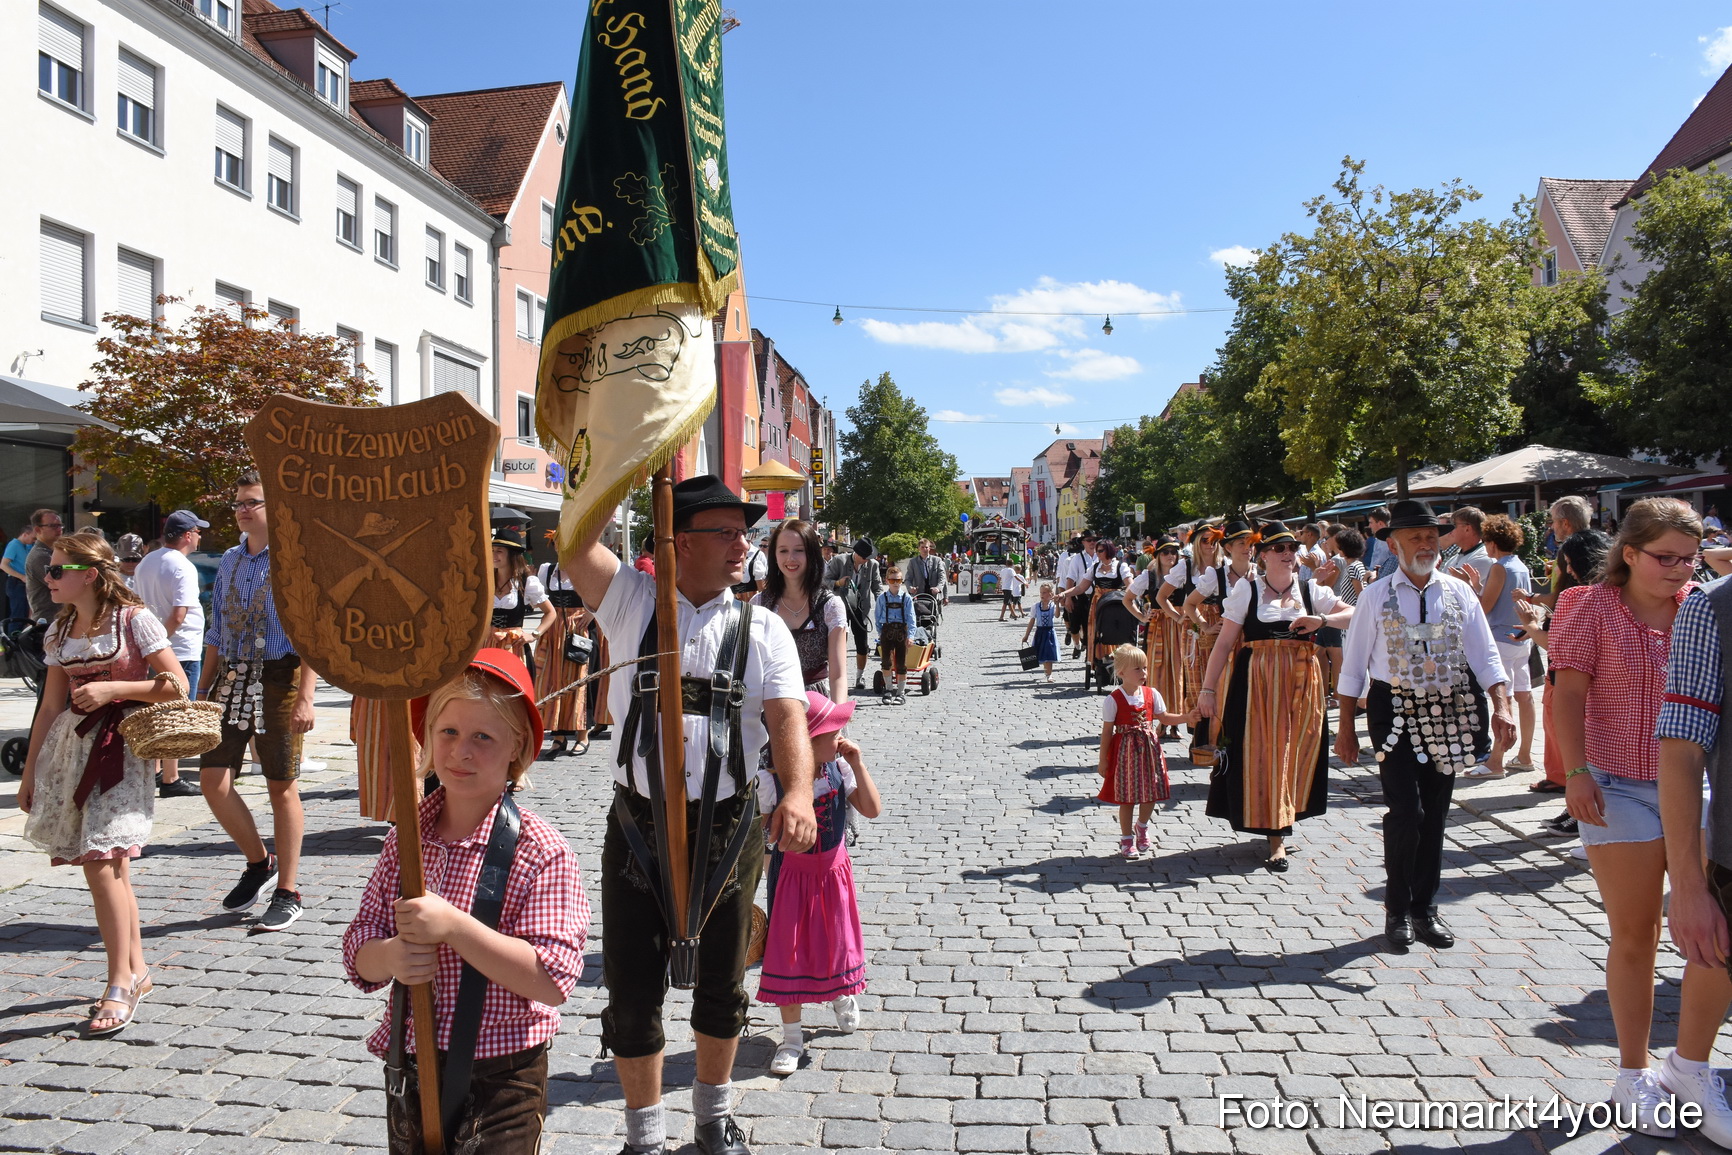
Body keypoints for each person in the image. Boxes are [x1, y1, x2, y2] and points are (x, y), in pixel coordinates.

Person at [565, 474, 816, 1155]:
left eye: (746, 532)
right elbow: (573, 545)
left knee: (722, 979)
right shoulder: (632, 601)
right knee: (632, 982)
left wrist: (795, 791)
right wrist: (617, 463)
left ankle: (712, 1116)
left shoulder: (763, 627)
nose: (745, 545)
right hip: (638, 825)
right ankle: (643, 1135)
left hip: (728, 824)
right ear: (682, 541)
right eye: (727, 532)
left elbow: (787, 718)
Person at [343, 650, 590, 1154]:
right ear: (428, 737)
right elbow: (359, 946)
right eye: (449, 732)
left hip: (503, 1077)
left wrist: (454, 926)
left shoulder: (541, 852)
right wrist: (390, 955)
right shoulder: (407, 840)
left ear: (516, 748)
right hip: (412, 1067)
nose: (462, 752)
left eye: (483, 737)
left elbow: (550, 980)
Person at [1548, 498, 1731, 1139]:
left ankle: (1691, 1067)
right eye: (1666, 558)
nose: (1680, 571)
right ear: (1629, 552)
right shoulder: (1587, 606)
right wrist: (1574, 774)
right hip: (1615, 780)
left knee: (1711, 929)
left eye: (1689, 558)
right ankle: (1631, 1074)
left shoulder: (1701, 607)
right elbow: (1567, 693)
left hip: (1695, 786)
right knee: (1638, 930)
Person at [18, 530, 187, 1038]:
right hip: (74, 750)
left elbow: (176, 683)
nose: (47, 578)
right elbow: (49, 706)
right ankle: (135, 970)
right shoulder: (58, 628)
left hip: (124, 750)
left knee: (103, 863)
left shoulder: (134, 619)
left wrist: (116, 686)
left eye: (56, 569)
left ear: (87, 574)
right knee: (110, 867)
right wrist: (31, 772)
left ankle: (118, 982)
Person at [1336, 500, 1515, 950]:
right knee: (1406, 812)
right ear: (1394, 544)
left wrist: (1503, 703)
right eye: (1415, 537)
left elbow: (1485, 654)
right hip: (1392, 708)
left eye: (1432, 536)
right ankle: (1397, 909)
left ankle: (1424, 908)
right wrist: (1343, 727)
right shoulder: (1376, 596)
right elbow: (1354, 664)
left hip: (1449, 709)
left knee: (1434, 812)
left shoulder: (1458, 592)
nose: (1425, 545)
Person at [195, 471, 317, 932]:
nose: (244, 509)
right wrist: (203, 689)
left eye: (253, 503)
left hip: (281, 677)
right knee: (212, 780)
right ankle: (258, 862)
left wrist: (306, 697)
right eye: (240, 503)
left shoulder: (293, 557)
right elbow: (216, 628)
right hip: (232, 675)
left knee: (280, 784)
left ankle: (288, 890)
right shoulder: (228, 559)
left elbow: (311, 635)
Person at [1198, 525, 1352, 872]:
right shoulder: (1247, 590)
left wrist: (1322, 619)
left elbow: (1353, 613)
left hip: (1303, 684)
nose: (1288, 553)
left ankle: (1283, 815)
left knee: (1297, 750)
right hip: (1258, 685)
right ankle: (1276, 837)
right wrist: (1208, 691)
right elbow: (1224, 643)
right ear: (1263, 554)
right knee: (1265, 754)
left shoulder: (1311, 590)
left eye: (1292, 547)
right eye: (1279, 548)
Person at [758, 692, 881, 1077]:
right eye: (834, 733)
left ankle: (843, 994)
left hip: (833, 872)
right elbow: (764, 831)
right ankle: (792, 1038)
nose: (842, 738)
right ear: (806, 740)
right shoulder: (770, 777)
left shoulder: (839, 770)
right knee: (788, 950)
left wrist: (857, 764)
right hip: (792, 874)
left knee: (837, 940)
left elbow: (871, 809)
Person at [1655, 548, 1732, 1148]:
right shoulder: (1714, 607)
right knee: (1719, 957)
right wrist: (1687, 883)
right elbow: (1681, 748)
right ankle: (1688, 1067)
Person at [132, 509, 209, 799]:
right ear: (188, 535)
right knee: (177, 712)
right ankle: (171, 777)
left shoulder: (147, 561)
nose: (200, 536)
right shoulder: (182, 566)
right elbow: (179, 614)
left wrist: (151, 646)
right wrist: (160, 643)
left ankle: (153, 772)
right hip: (180, 649)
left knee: (155, 710)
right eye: (198, 531)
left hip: (154, 649)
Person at [1097, 644, 1194, 858]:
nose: (1144, 673)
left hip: (1149, 751)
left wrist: (1186, 717)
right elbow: (1106, 732)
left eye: (1145, 668)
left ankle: (1141, 826)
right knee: (1127, 797)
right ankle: (1126, 839)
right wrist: (1103, 760)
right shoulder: (1113, 699)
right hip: (1125, 753)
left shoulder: (1152, 694)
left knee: (1150, 792)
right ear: (1122, 673)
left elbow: (1165, 718)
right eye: (1138, 669)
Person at [1463, 514, 1535, 778]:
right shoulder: (1520, 565)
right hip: (1521, 638)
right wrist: (1479, 585)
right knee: (1524, 696)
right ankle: (1525, 755)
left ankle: (1496, 761)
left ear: (1492, 543)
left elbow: (1485, 607)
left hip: (1501, 640)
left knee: (1503, 701)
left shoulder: (1500, 567)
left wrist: (1471, 589)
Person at [1181, 522, 1256, 753]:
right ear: (1229, 548)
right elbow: (1189, 604)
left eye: (1250, 543)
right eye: (1241, 543)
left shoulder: (1260, 572)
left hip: (1252, 645)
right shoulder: (1218, 576)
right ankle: (1219, 743)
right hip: (1224, 646)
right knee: (1224, 695)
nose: (1247, 548)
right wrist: (1204, 625)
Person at [754, 520, 847, 703]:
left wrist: (836, 720)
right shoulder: (759, 604)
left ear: (811, 554)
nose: (791, 558)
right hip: (772, 703)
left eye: (799, 550)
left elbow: (838, 674)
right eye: (783, 551)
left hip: (817, 703)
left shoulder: (830, 605)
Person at [534, 549, 594, 758]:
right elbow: (538, 600)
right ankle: (558, 736)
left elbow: (605, 593)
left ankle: (582, 735)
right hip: (553, 630)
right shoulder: (547, 570)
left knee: (580, 680)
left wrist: (591, 611)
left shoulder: (587, 568)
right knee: (552, 680)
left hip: (578, 629)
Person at [1129, 538, 1186, 738]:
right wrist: (1142, 617)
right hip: (1159, 627)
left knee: (1178, 674)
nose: (1171, 556)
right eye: (1165, 552)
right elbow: (1127, 598)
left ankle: (1175, 723)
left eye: (1174, 551)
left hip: (1179, 626)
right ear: (1157, 556)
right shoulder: (1149, 576)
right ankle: (1160, 721)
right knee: (1157, 673)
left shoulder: (1184, 573)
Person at [490, 527, 552, 679]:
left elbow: (551, 613)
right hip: (488, 645)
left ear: (511, 554)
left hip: (514, 647)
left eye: (499, 551)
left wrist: (534, 635)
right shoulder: (486, 580)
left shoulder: (526, 582)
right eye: (492, 550)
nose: (494, 555)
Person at [834, 540, 882, 691]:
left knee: (862, 644)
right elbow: (824, 581)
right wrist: (838, 583)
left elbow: (877, 586)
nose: (867, 560)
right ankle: (839, 676)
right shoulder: (838, 561)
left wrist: (882, 601)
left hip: (861, 608)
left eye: (869, 557)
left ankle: (859, 676)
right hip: (840, 606)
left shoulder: (873, 565)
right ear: (857, 554)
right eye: (865, 557)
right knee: (839, 643)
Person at [875, 566, 917, 704]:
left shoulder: (906, 598)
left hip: (901, 633)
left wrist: (911, 636)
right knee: (886, 662)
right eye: (892, 580)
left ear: (902, 581)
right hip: (887, 631)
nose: (895, 583)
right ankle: (888, 690)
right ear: (887, 581)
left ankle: (901, 692)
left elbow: (911, 619)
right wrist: (881, 634)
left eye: (898, 580)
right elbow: (877, 618)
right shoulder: (882, 598)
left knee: (901, 663)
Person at [25, 508, 66, 623]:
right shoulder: (40, 556)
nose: (59, 529)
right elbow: (62, 584)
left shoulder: (53, 552)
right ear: (38, 529)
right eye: (53, 526)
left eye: (60, 525)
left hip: (58, 619)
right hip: (50, 621)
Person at [1022, 583, 1060, 681]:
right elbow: (1031, 621)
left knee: (1049, 653)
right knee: (1041, 653)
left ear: (1051, 594)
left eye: (1045, 592)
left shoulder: (1052, 606)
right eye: (1041, 592)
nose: (1042, 595)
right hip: (1040, 632)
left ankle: (1049, 674)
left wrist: (1057, 603)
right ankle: (1046, 671)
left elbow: (1057, 615)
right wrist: (1026, 635)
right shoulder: (1036, 606)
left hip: (1049, 632)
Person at [1446, 506, 1492, 586]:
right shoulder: (1454, 558)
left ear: (1467, 529)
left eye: (1454, 525)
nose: (1450, 530)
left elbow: (1452, 587)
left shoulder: (1483, 557)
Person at [3, 522, 35, 622]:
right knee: (18, 613)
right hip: (16, 582)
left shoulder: (27, 546)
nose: (34, 540)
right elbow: (4, 565)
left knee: (26, 612)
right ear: (25, 534)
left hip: (24, 582)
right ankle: (13, 635)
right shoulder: (14, 545)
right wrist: (21, 577)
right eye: (33, 538)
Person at [905, 539, 947, 606]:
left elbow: (942, 577)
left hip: (934, 595)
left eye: (926, 547)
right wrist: (910, 588)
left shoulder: (937, 560)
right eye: (922, 547)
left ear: (929, 548)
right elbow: (908, 578)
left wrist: (938, 588)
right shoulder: (913, 562)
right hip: (919, 595)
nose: (924, 549)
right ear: (918, 548)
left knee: (934, 614)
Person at [1363, 507, 1394, 578]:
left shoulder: (1392, 541)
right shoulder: (1377, 540)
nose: (1369, 526)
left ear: (1380, 523)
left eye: (1371, 522)